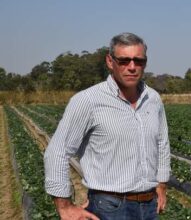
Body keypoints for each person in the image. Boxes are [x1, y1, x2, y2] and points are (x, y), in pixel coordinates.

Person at [44, 32, 171, 220]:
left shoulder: (153, 99)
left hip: (149, 204)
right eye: (124, 61)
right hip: (109, 207)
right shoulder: (88, 100)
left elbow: (162, 144)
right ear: (110, 62)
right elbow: (57, 152)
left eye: (139, 61)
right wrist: (64, 206)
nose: (132, 67)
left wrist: (161, 185)